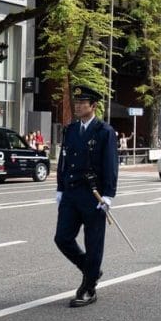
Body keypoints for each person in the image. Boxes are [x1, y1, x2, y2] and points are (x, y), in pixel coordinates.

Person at [55, 86, 119, 308]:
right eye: (78, 101)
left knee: (93, 243)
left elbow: (111, 165)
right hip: (72, 193)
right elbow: (63, 160)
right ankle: (90, 269)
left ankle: (88, 287)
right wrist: (60, 188)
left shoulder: (104, 131)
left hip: (94, 195)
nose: (79, 105)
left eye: (84, 102)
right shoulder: (71, 129)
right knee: (62, 238)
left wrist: (109, 195)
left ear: (93, 106)